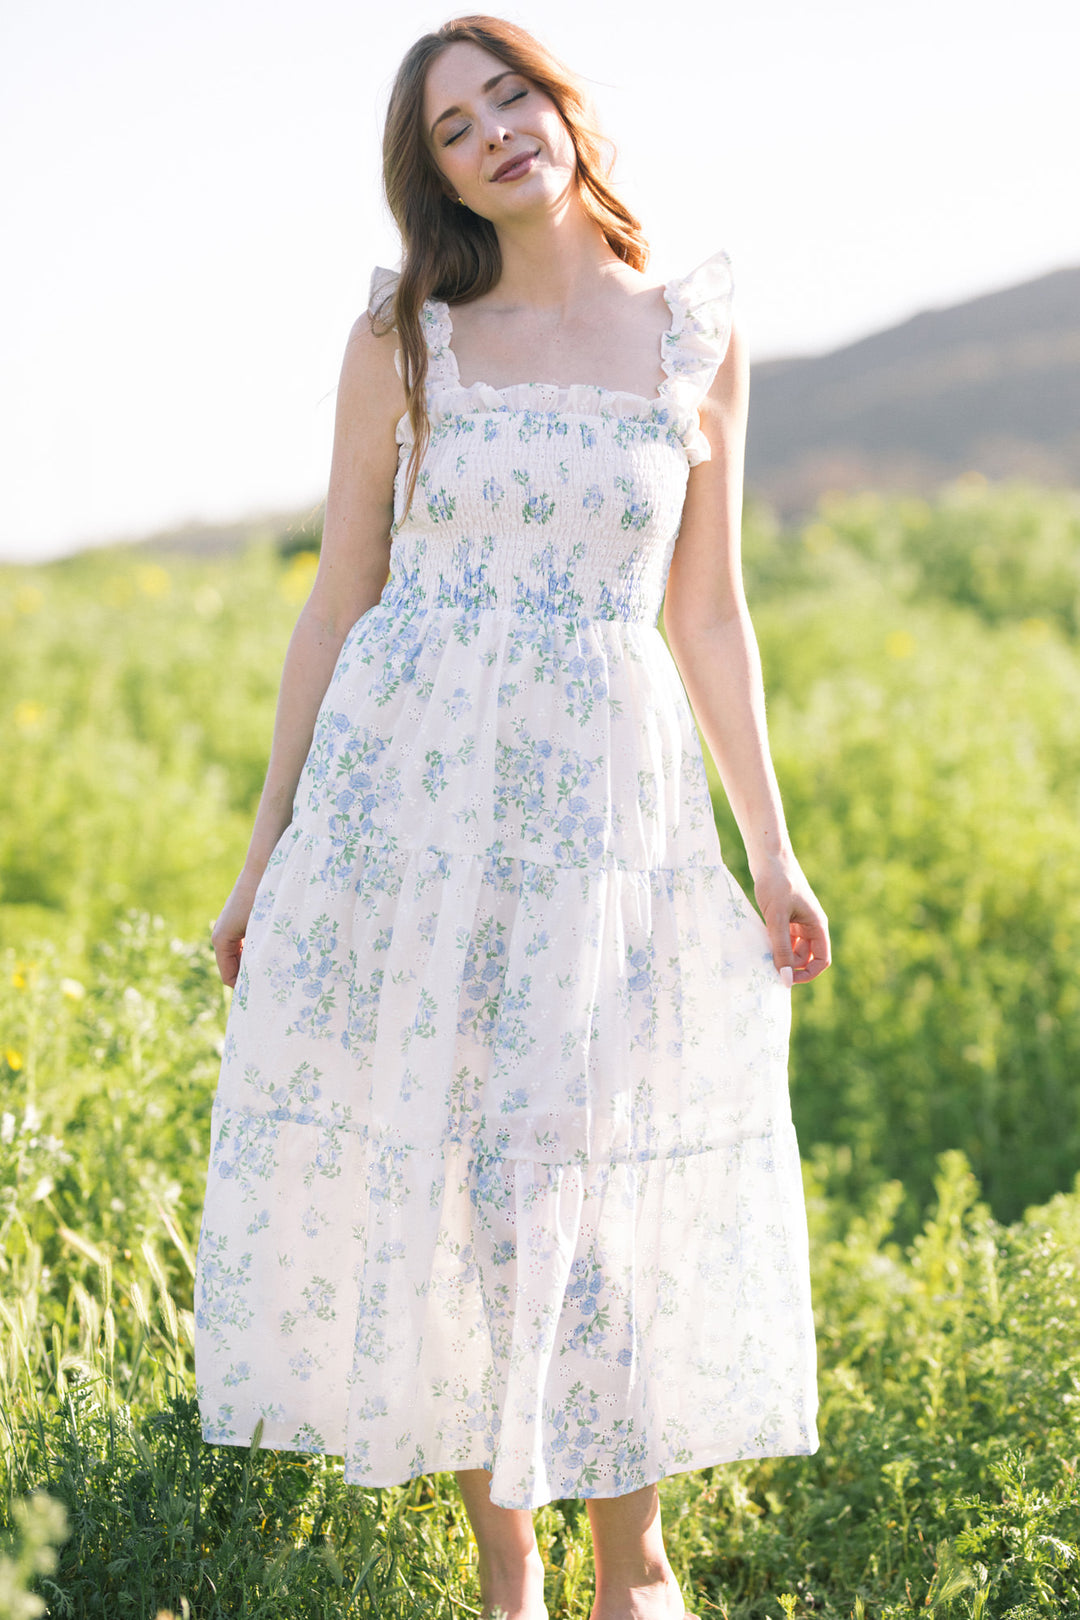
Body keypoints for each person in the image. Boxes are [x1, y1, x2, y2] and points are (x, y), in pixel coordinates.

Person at [194, 14, 831, 1620]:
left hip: (604, 810)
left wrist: (773, 846)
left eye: (510, 96)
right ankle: (510, 1578)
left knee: (588, 1171)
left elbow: (711, 616)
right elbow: (342, 595)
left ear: (563, 105)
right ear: (437, 174)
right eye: (455, 126)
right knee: (471, 1173)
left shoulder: (690, 333)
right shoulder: (406, 333)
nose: (494, 133)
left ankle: (641, 1569)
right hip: (412, 799)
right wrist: (264, 853)